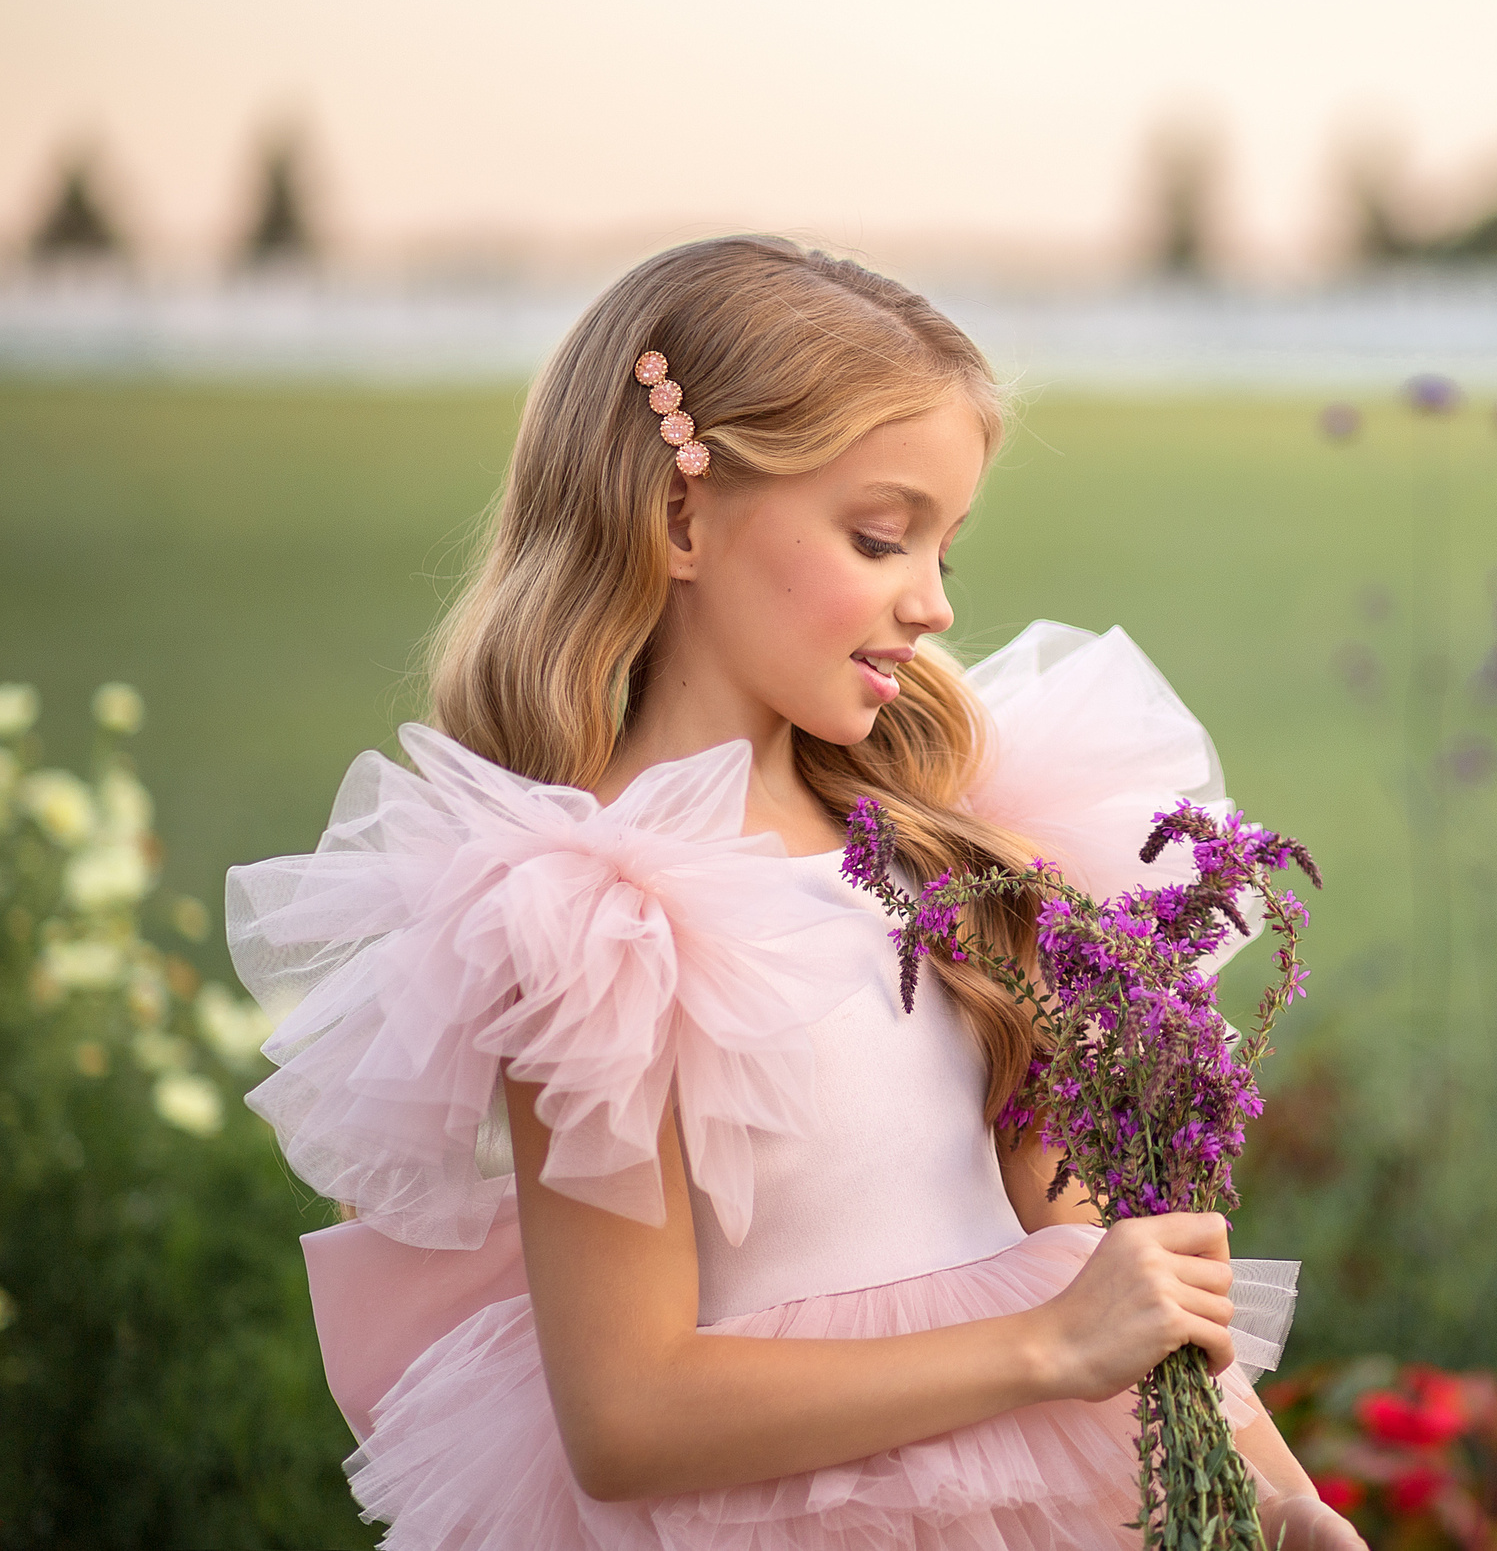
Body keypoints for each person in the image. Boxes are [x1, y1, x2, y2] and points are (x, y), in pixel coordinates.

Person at [228, 235, 1366, 1549]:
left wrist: (1282, 1498)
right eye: (882, 537)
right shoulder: (603, 920)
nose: (934, 604)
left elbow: (1105, 1261)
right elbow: (628, 1415)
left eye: (947, 549)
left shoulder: (961, 866)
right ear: (681, 516)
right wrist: (1045, 1347)